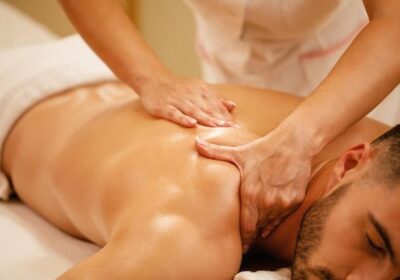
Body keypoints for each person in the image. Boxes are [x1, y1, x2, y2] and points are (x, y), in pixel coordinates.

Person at [59, 0, 400, 251]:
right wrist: (150, 78)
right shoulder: (202, 208)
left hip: (347, 83)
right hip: (226, 69)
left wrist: (298, 140)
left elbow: (395, 20)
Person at [3, 66, 400, 278]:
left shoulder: (384, 153)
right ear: (350, 163)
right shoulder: (204, 214)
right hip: (17, 94)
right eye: (372, 243)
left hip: (98, 89)